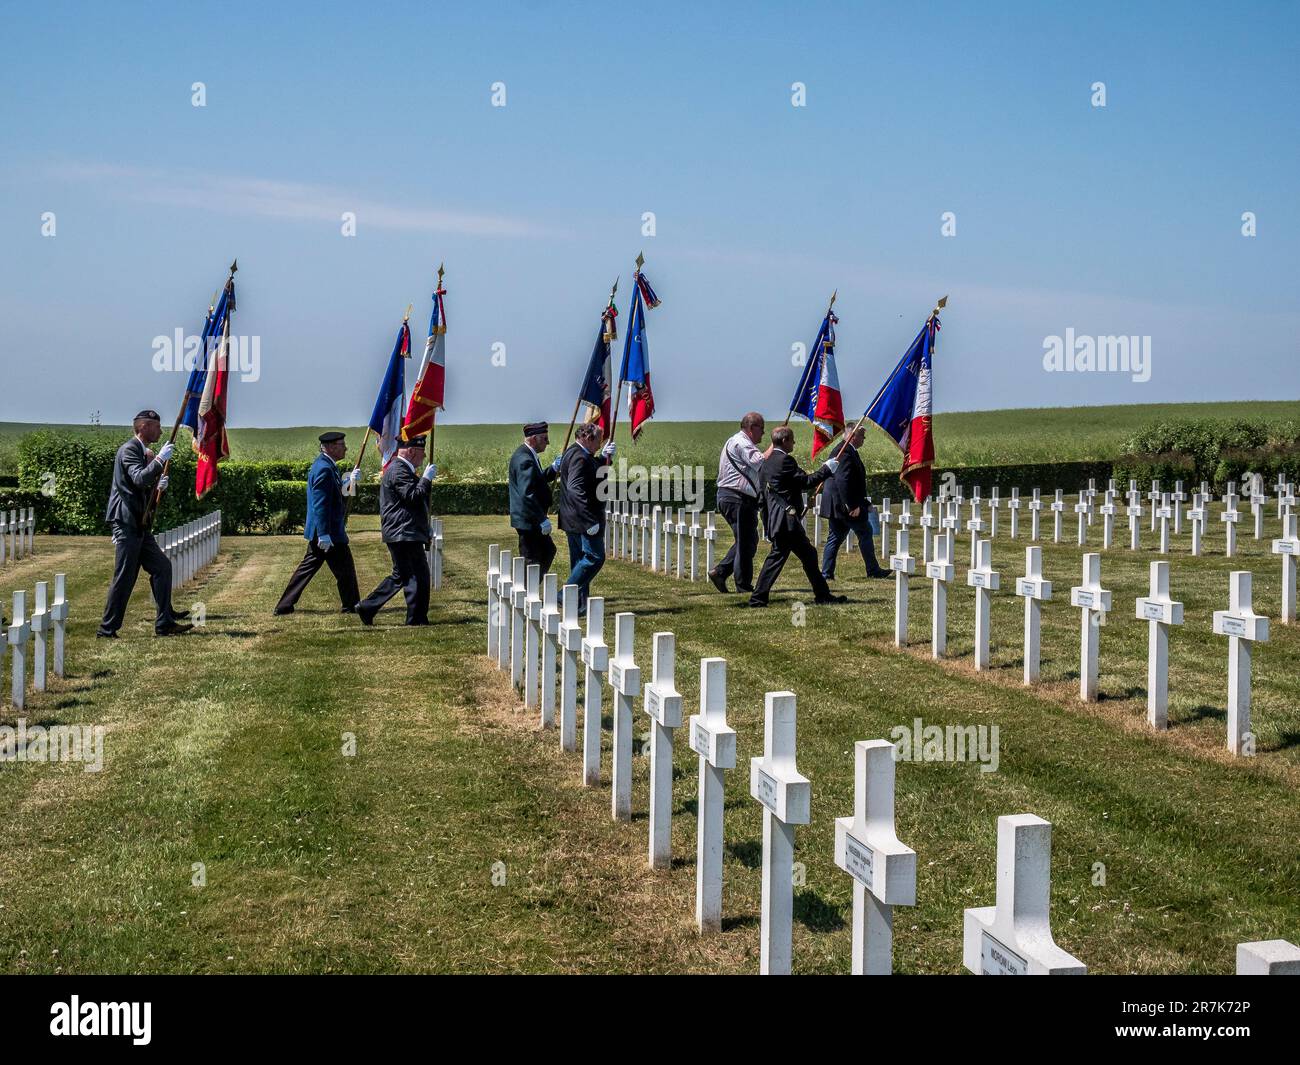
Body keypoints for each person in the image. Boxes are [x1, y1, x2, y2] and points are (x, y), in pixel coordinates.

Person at [97, 409, 193, 637]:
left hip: (139, 523)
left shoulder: (141, 452)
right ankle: (106, 629)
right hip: (127, 521)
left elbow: (141, 484)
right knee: (125, 577)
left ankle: (165, 623)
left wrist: (157, 487)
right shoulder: (129, 449)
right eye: (157, 427)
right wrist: (159, 460)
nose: (160, 431)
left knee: (162, 567)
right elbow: (138, 477)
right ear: (144, 427)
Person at [747, 426, 848, 608]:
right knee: (780, 558)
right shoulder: (785, 460)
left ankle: (822, 594)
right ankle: (758, 598)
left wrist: (769, 522)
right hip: (787, 522)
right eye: (792, 440)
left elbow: (763, 497)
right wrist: (827, 469)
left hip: (779, 521)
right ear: (784, 441)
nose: (794, 443)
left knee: (806, 555)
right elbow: (806, 482)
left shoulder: (765, 463)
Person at [274, 431, 361, 616]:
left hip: (328, 530)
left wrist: (348, 483)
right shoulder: (324, 468)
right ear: (330, 447)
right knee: (344, 570)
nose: (345, 448)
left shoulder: (327, 465)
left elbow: (334, 495)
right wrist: (323, 533)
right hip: (328, 532)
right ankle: (351, 605)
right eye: (341, 444)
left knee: (311, 569)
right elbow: (320, 504)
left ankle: (284, 605)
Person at [356, 436, 437, 625]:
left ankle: (367, 607)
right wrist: (426, 479)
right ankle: (416, 619)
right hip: (403, 532)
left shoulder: (400, 470)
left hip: (404, 530)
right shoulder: (399, 470)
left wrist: (425, 526)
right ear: (410, 451)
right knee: (417, 576)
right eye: (421, 452)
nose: (424, 456)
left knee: (402, 575)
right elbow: (413, 497)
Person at [709, 411, 771, 594]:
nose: (764, 433)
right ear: (752, 428)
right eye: (762, 429)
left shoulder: (737, 441)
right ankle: (743, 585)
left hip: (733, 497)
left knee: (749, 540)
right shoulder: (742, 442)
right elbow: (759, 461)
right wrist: (775, 446)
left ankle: (720, 572)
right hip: (737, 498)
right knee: (745, 543)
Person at [557, 421, 616, 613]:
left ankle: (579, 606)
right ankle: (564, 594)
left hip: (572, 519)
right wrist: (589, 520)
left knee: (579, 562)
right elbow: (575, 489)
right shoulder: (579, 457)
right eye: (598, 439)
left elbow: (591, 473)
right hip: (583, 520)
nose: (600, 443)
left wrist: (604, 458)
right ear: (587, 438)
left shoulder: (577, 453)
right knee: (594, 557)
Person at [820, 425, 889, 580]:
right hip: (844, 505)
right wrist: (852, 506)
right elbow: (843, 481)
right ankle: (873, 570)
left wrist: (864, 502)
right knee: (865, 532)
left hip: (838, 504)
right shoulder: (844, 452)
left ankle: (826, 573)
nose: (864, 440)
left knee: (835, 537)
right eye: (862, 436)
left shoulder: (847, 451)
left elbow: (852, 481)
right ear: (853, 436)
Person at [508, 421, 560, 575]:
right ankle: (526, 593)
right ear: (533, 438)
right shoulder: (525, 459)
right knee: (532, 559)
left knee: (546, 551)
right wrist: (541, 519)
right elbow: (528, 493)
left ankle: (529, 590)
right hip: (529, 520)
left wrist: (553, 469)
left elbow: (536, 480)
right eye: (544, 438)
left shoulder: (527, 455)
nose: (548, 442)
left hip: (530, 519)